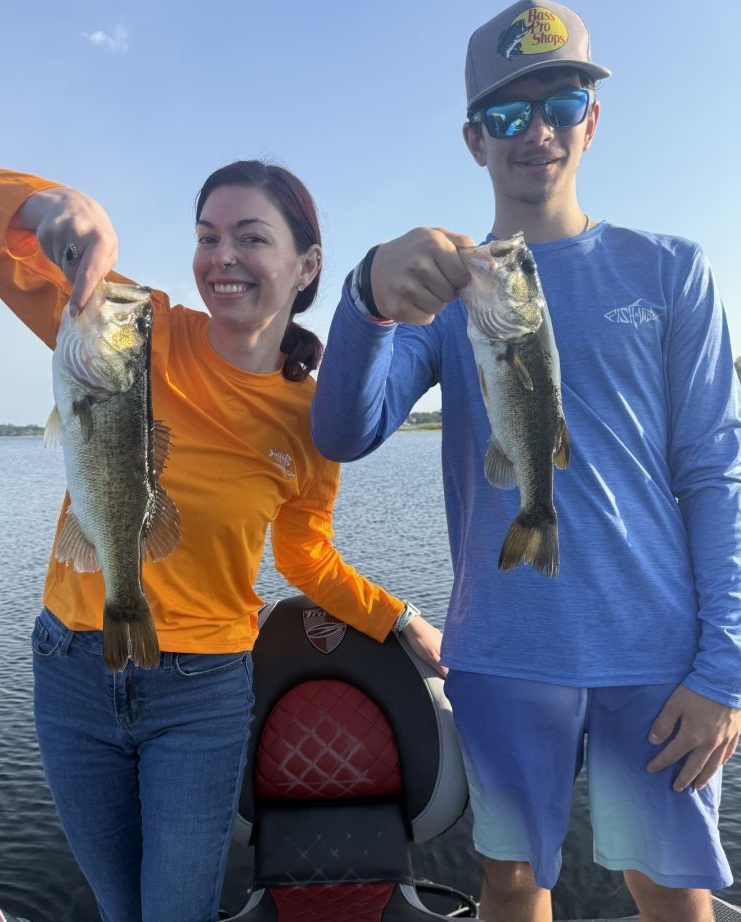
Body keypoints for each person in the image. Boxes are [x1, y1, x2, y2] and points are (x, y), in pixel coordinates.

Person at [309, 3, 741, 921]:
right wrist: (366, 297)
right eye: (507, 114)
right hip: (503, 645)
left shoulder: (673, 271)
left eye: (562, 101)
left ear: (594, 116)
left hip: (657, 651)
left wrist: (723, 672)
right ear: (474, 140)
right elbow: (346, 430)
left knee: (671, 886)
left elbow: (715, 475)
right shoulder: (450, 287)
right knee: (511, 877)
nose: (536, 131)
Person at [0, 161, 444, 922]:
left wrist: (400, 619)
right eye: (207, 237)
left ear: (306, 266)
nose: (222, 257)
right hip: (71, 666)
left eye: (250, 237)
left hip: (200, 694)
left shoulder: (314, 417)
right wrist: (50, 206)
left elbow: (306, 556)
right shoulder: (129, 325)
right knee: (118, 907)